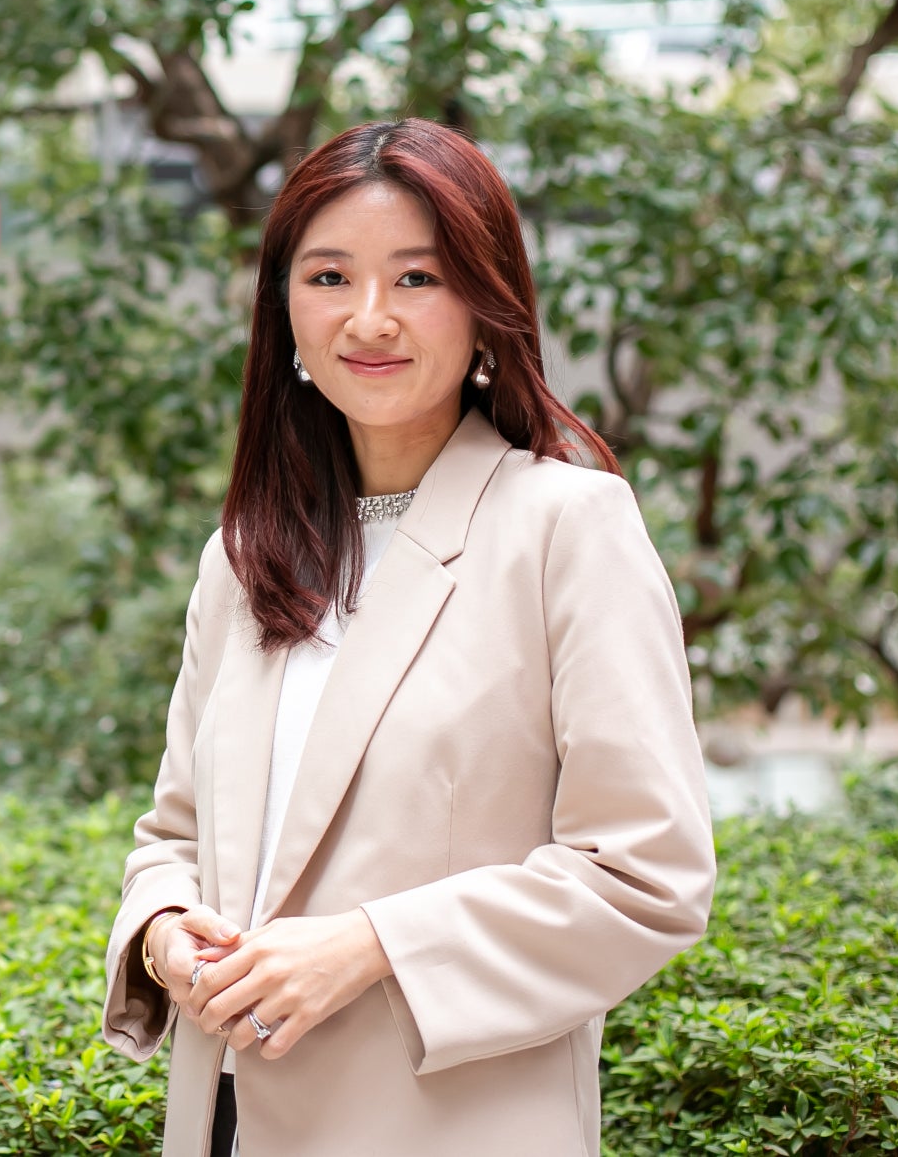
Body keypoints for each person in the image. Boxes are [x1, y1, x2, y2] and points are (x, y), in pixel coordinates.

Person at [99, 117, 717, 1157]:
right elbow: (174, 838)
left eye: (418, 278)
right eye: (329, 277)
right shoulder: (244, 557)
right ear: (284, 310)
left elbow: (645, 875)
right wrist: (164, 936)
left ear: (486, 303)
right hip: (227, 1123)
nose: (370, 318)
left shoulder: (568, 528)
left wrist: (372, 945)